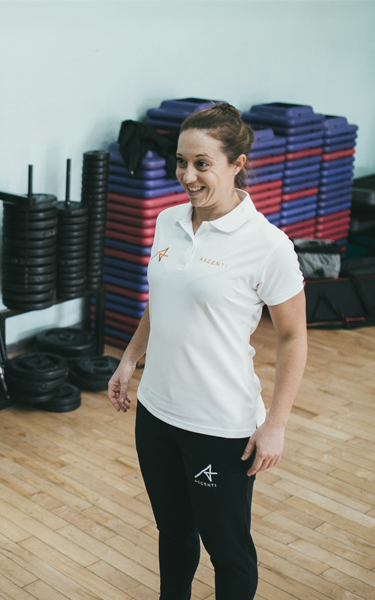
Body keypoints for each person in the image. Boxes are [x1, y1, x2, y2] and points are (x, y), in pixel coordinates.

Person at [107, 104, 307, 600]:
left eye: (202, 164)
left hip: (219, 426)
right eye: (181, 162)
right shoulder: (168, 220)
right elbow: (163, 300)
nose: (187, 176)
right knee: (173, 533)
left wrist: (276, 424)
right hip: (156, 412)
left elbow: (292, 337)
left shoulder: (268, 246)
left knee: (227, 548)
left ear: (237, 163)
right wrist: (130, 358)